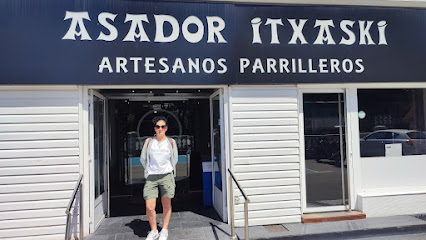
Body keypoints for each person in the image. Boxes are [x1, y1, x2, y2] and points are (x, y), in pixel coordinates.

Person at [140, 116, 178, 240]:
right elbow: (143, 158)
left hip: (167, 176)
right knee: (149, 206)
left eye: (163, 126)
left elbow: (174, 159)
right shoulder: (149, 142)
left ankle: (164, 230)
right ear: (154, 128)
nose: (160, 129)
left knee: (166, 204)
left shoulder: (171, 142)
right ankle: (154, 230)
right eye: (158, 126)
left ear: (166, 128)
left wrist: (170, 171)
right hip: (151, 176)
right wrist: (148, 170)